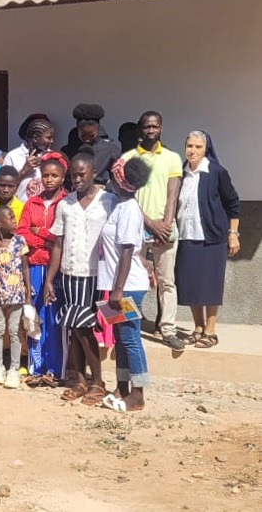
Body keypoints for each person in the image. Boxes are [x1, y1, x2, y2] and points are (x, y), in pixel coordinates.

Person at [45, 148, 117, 403]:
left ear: (93, 173)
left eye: (81, 175)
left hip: (99, 276)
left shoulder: (108, 202)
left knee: (86, 327)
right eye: (72, 176)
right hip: (71, 274)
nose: (76, 180)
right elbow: (57, 244)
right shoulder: (65, 204)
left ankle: (97, 381)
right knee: (74, 328)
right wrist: (49, 280)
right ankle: (81, 380)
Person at [123, 111, 183, 350]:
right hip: (137, 228)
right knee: (132, 280)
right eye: (146, 127)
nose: (150, 130)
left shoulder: (172, 157)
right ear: (140, 129)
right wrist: (149, 223)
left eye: (155, 126)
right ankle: (129, 327)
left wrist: (165, 224)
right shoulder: (128, 158)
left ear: (161, 128)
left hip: (165, 227)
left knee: (167, 281)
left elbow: (173, 193)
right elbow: (129, 196)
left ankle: (167, 328)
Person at [174, 131, 240, 349]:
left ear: (206, 149)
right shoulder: (180, 173)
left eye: (198, 147)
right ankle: (198, 327)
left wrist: (233, 234)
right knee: (190, 283)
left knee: (210, 284)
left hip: (211, 237)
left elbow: (233, 203)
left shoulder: (216, 172)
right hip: (186, 235)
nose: (193, 151)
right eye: (190, 146)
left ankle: (211, 331)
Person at [100, 157, 154, 412]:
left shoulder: (130, 210)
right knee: (121, 339)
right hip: (114, 284)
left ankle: (138, 394)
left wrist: (118, 290)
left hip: (127, 285)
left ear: (120, 181)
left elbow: (126, 251)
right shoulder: (119, 206)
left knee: (131, 337)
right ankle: (122, 386)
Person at [17, 153, 68, 383]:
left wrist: (43, 234)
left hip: (57, 268)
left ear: (62, 177)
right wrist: (47, 240)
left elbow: (63, 238)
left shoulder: (67, 203)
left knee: (55, 318)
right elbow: (22, 234)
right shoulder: (32, 203)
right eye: (45, 175)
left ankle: (55, 370)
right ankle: (36, 367)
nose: (49, 180)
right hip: (34, 266)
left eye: (54, 176)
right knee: (34, 316)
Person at [0, 206, 31, 389]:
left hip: (17, 294)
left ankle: (14, 369)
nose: (14, 219)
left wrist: (28, 295)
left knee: (15, 332)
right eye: (10, 217)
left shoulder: (19, 241)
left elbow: (25, 268)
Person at [64, 104, 122, 186]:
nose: (87, 139)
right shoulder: (68, 151)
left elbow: (118, 179)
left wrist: (106, 188)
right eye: (83, 135)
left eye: (91, 135)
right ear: (78, 131)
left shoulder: (110, 150)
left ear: (98, 130)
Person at [5, 117, 55, 201]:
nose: (52, 141)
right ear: (35, 138)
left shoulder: (52, 156)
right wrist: (24, 170)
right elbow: (5, 187)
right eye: (48, 138)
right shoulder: (13, 156)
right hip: (21, 209)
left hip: (46, 209)